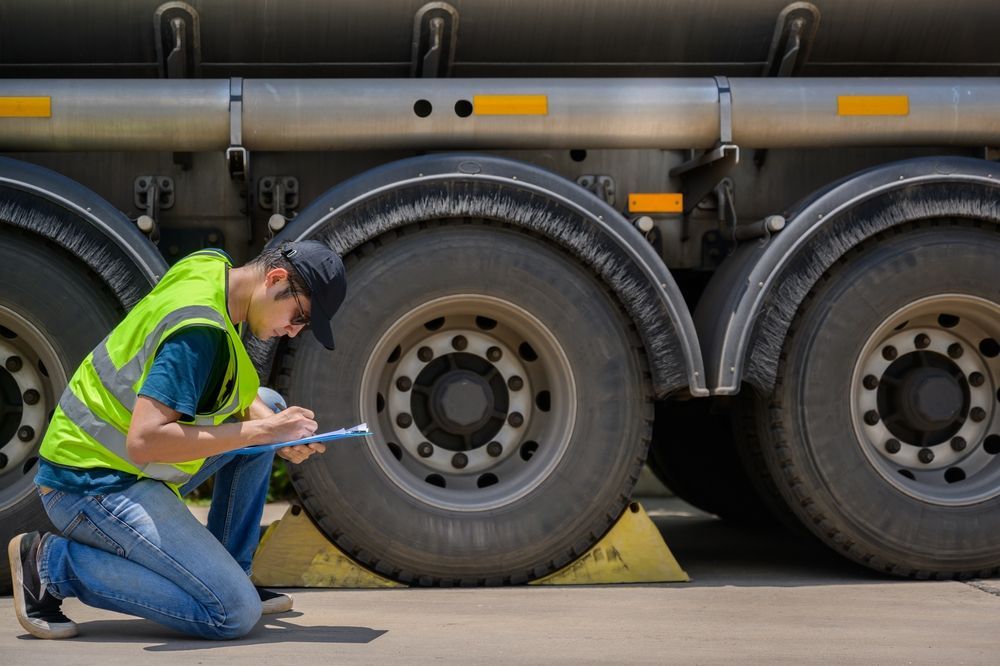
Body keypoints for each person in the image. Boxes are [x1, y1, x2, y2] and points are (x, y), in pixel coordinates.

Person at [8, 240, 347, 640]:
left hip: (114, 461)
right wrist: (267, 431)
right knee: (234, 613)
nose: (293, 331)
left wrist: (275, 429)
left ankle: (226, 571)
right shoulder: (197, 333)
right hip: (91, 485)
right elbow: (146, 441)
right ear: (275, 280)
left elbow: (235, 386)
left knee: (269, 405)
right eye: (299, 316)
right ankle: (51, 565)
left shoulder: (212, 268)